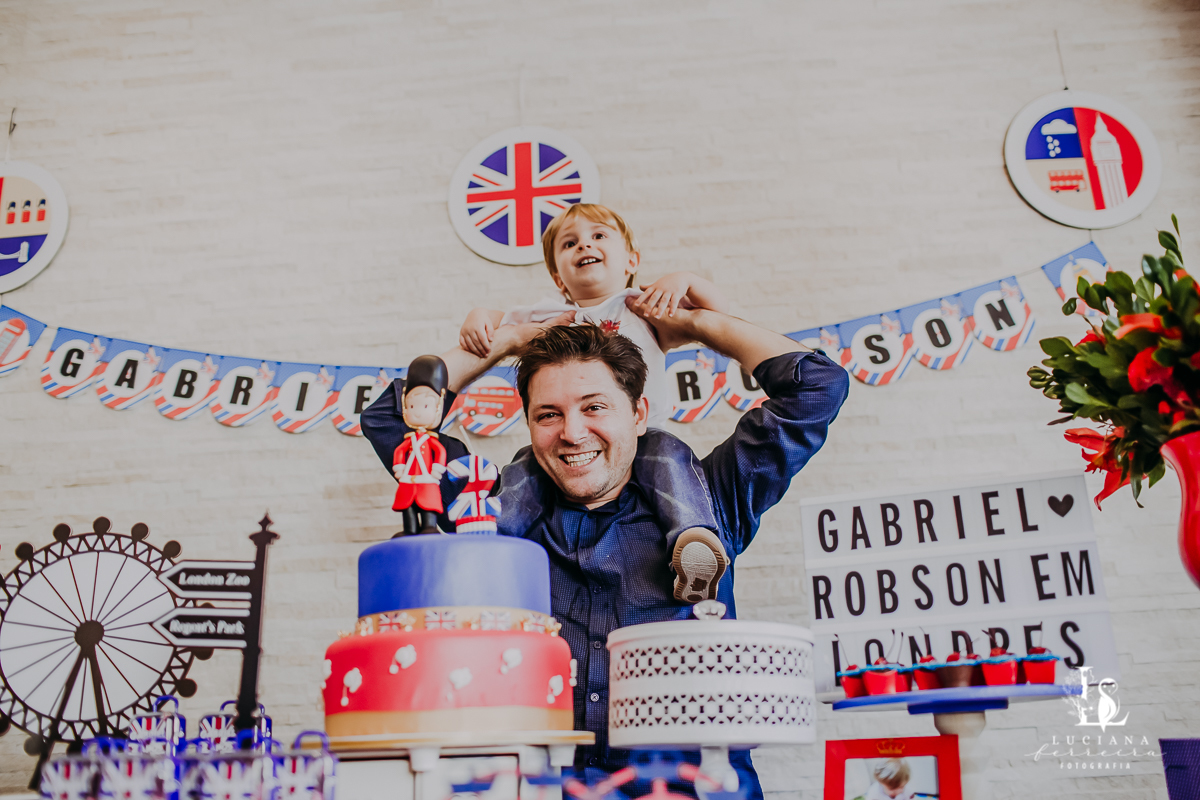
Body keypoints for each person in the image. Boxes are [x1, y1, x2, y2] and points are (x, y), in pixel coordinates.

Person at [362, 301, 850, 799]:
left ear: (638, 413)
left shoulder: (712, 497)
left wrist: (699, 326)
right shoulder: (489, 511)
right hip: (544, 787)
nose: (572, 433)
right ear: (528, 424)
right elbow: (389, 419)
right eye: (548, 414)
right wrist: (505, 343)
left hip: (691, 789)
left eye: (594, 407)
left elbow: (817, 387)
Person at [463, 203, 736, 601]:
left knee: (677, 469)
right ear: (558, 276)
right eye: (569, 243)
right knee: (524, 470)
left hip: (649, 433)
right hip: (580, 447)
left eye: (598, 236)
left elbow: (720, 321)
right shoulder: (551, 314)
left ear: (631, 260)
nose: (583, 245)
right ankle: (491, 537)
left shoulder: (645, 308)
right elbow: (498, 319)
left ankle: (694, 541)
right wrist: (477, 315)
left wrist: (688, 282)